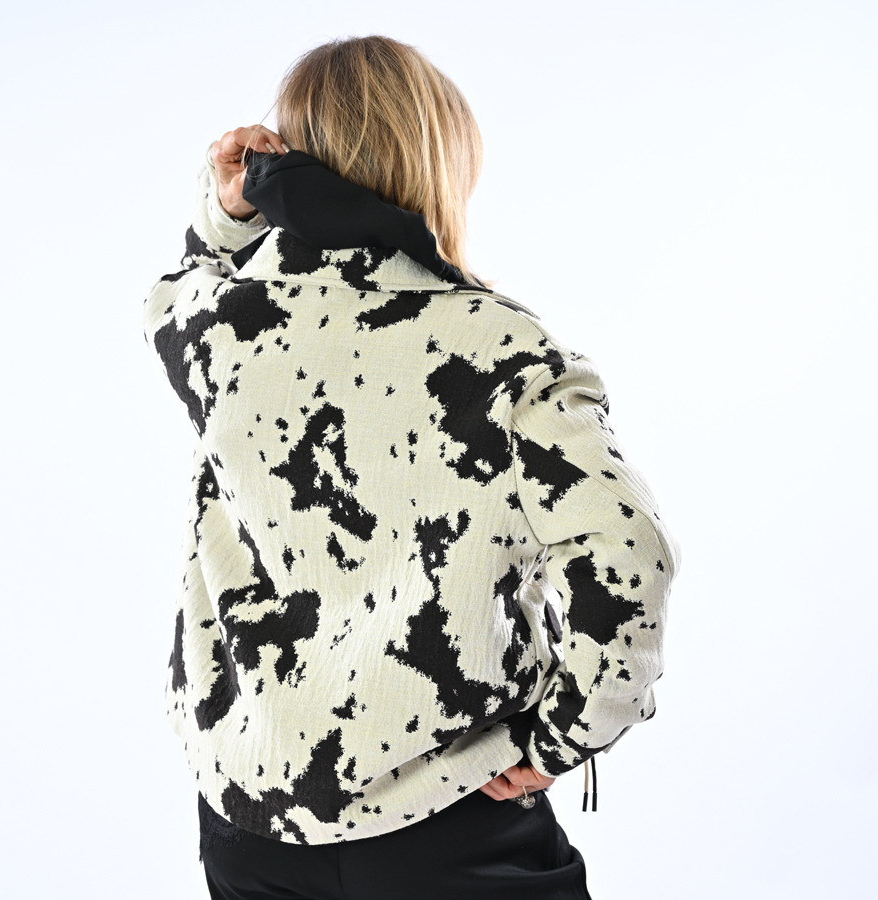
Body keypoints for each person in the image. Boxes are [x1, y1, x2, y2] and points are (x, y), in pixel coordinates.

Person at [143, 34, 679, 900]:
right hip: (448, 817)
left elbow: (180, 284)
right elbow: (627, 555)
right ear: (439, 162)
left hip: (251, 828)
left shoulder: (218, 327)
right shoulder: (505, 353)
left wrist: (227, 210)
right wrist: (560, 739)